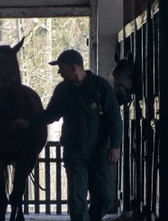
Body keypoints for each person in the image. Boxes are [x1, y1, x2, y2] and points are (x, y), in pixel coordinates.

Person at [13, 49, 123, 221]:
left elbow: (114, 118)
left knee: (104, 196)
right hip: (74, 152)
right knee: (77, 201)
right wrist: (29, 122)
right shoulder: (63, 90)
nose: (59, 72)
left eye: (61, 68)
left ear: (73, 68)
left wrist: (115, 145)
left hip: (100, 152)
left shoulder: (101, 87)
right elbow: (51, 114)